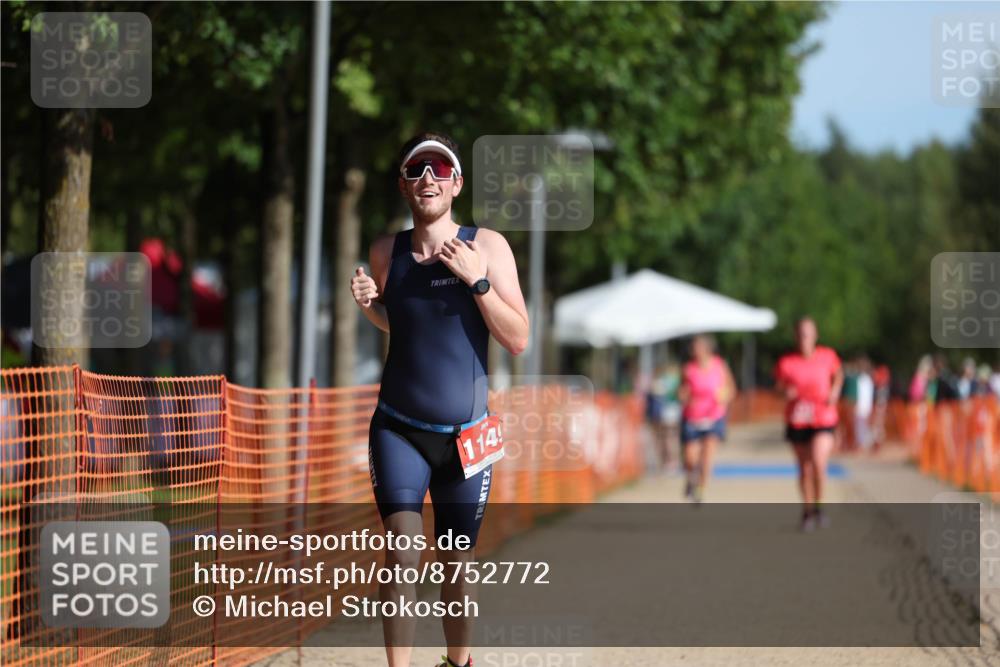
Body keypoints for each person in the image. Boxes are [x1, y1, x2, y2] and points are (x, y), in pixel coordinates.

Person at [351, 132, 529, 667]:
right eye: (416, 170)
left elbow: (518, 337)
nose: (428, 178)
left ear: (456, 183)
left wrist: (477, 282)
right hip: (399, 428)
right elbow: (402, 324)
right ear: (403, 185)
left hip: (467, 438)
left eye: (438, 169)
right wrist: (369, 308)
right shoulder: (386, 251)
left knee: (456, 562)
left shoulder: (488, 247)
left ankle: (458, 663)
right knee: (402, 550)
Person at [774, 317, 844, 531]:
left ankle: (819, 507)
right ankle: (807, 511)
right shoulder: (787, 362)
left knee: (818, 463)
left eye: (808, 333)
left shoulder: (828, 356)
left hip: (823, 418)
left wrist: (834, 391)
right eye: (800, 333)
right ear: (796, 337)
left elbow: (838, 375)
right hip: (798, 420)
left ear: (815, 335)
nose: (804, 338)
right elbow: (778, 387)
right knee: (804, 470)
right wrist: (785, 392)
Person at [677, 335, 735, 504]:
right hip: (693, 417)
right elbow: (681, 391)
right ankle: (690, 478)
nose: (695, 350)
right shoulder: (688, 369)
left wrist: (725, 396)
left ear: (707, 348)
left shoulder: (719, 365)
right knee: (690, 458)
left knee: (707, 457)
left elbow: (731, 388)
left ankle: (700, 489)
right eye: (693, 347)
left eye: (698, 346)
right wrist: (683, 396)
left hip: (714, 416)